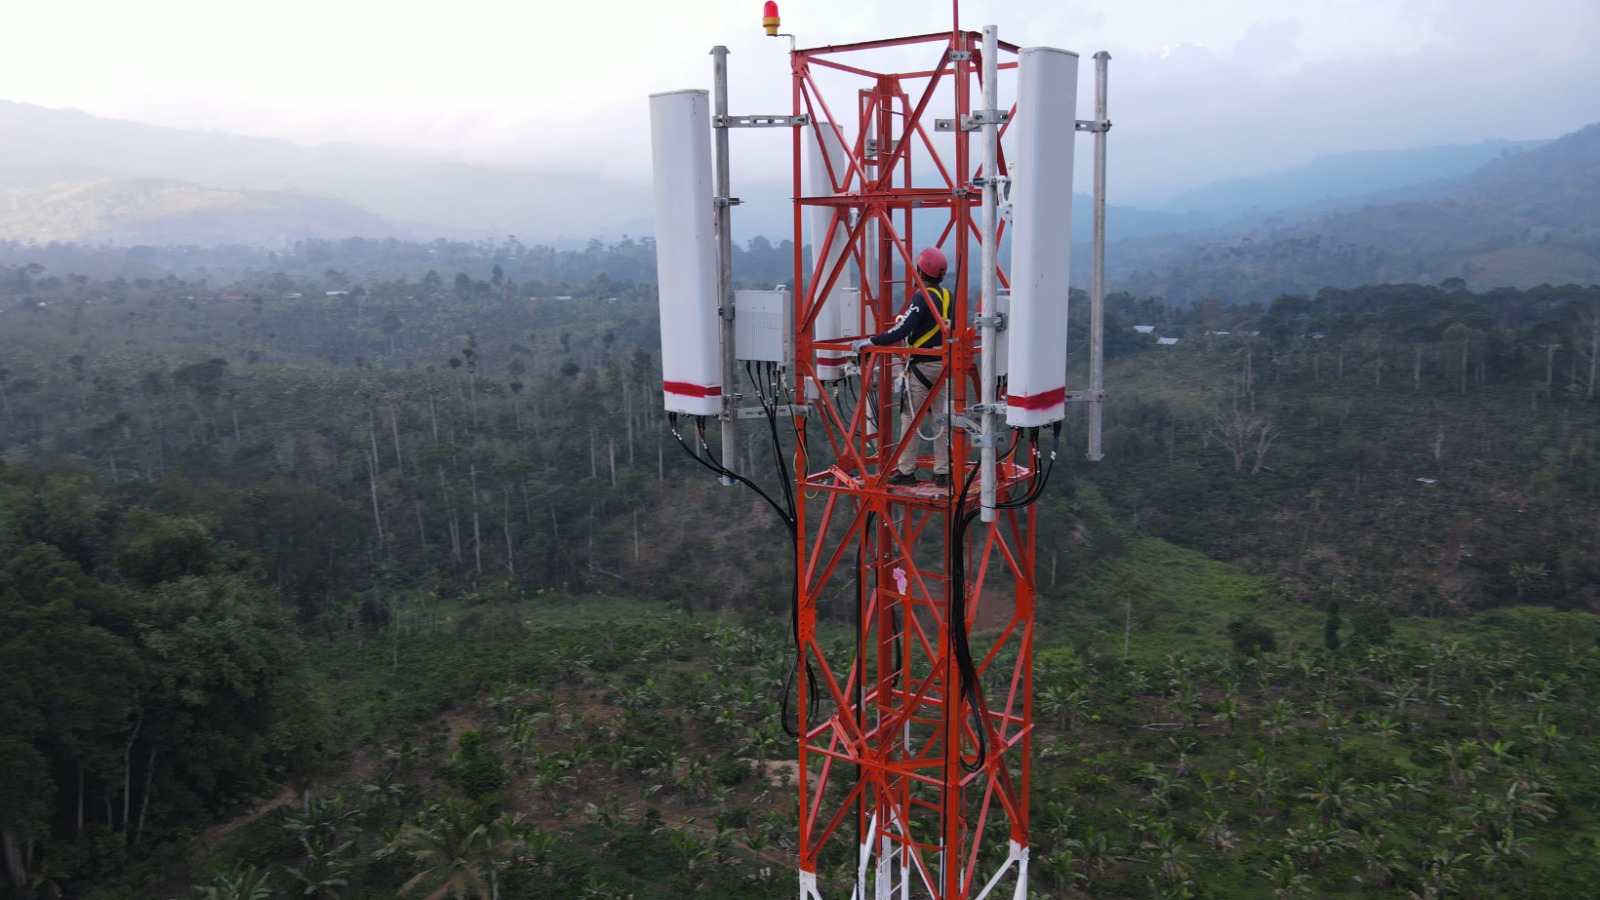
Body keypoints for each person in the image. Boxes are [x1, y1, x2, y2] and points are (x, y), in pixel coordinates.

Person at [852, 247, 952, 487]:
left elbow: (901, 330)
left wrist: (871, 342)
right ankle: (943, 472)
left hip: (922, 368)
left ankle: (906, 471)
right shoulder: (947, 296)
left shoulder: (921, 298)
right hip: (944, 365)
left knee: (910, 419)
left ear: (920, 270)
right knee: (942, 420)